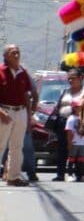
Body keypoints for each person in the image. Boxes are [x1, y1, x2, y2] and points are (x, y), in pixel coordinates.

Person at [1, 44, 39, 186]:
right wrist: (1, 113)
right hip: (5, 112)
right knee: (0, 145)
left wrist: (29, 117)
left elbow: (26, 96)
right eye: (13, 53)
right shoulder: (0, 71)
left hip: (20, 112)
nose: (16, 55)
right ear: (6, 56)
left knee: (17, 146)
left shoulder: (23, 73)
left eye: (18, 52)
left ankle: (13, 177)